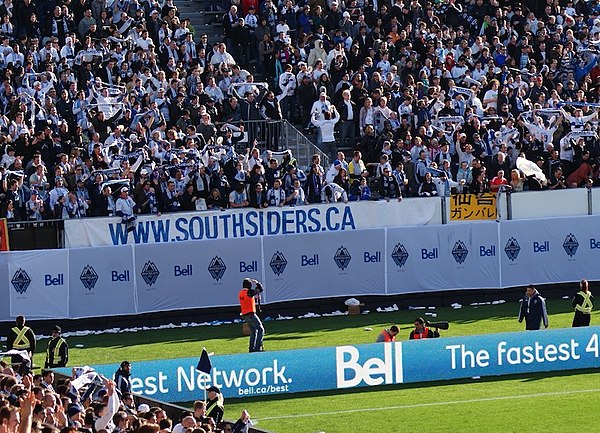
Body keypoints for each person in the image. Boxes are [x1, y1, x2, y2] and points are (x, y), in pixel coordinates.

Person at [238, 278, 265, 352]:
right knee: (261, 329)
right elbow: (260, 289)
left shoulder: (241, 293)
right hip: (250, 314)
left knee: (253, 331)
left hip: (244, 314)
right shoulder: (249, 292)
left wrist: (254, 299)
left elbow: (247, 300)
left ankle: (251, 348)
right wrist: (257, 282)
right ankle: (257, 347)